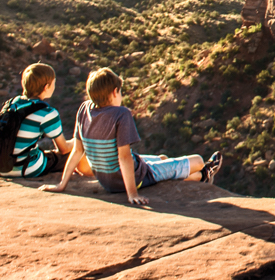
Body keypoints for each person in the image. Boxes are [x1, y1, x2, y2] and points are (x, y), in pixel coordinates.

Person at [46, 67, 221, 205]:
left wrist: (62, 184)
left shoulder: (84, 109)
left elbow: (77, 151)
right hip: (134, 177)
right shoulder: (121, 114)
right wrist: (132, 194)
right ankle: (203, 175)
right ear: (115, 92)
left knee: (161, 158)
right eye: (120, 92)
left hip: (106, 181)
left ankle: (198, 175)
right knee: (197, 160)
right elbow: (124, 158)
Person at [1, 62, 74, 177]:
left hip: (1, 167)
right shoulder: (47, 112)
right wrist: (76, 142)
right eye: (54, 84)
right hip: (26, 168)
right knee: (73, 154)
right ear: (46, 87)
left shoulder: (11, 104)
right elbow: (63, 149)